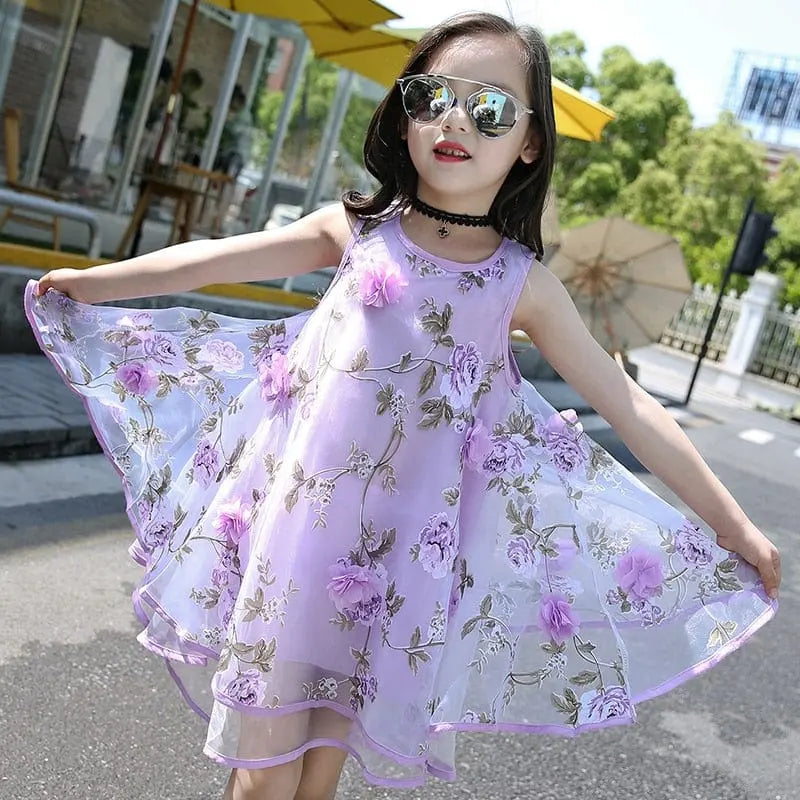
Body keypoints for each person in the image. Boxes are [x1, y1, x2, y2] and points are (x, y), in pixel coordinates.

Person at [25, 12, 779, 800]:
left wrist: (733, 526)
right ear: (406, 115)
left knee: (315, 783)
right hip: (300, 546)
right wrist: (96, 281)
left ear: (528, 142)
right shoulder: (357, 230)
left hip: (402, 569)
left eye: (488, 108)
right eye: (431, 97)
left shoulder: (521, 283)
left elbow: (628, 403)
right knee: (260, 784)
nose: (454, 120)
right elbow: (216, 258)